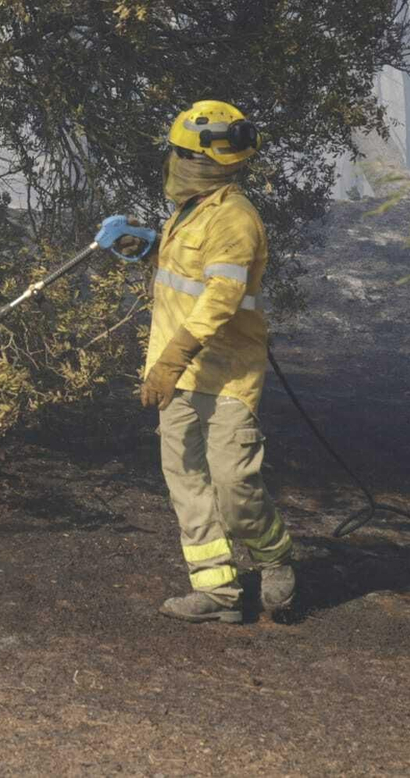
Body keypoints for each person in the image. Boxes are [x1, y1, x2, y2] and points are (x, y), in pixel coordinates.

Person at [135, 100, 295, 624]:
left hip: (225, 375)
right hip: (177, 373)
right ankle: (217, 591)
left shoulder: (233, 218)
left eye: (187, 155)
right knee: (186, 483)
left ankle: (273, 555)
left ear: (217, 161)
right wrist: (148, 246)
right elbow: (187, 272)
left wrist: (171, 360)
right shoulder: (190, 210)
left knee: (232, 486)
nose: (178, 163)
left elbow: (220, 297)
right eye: (177, 153)